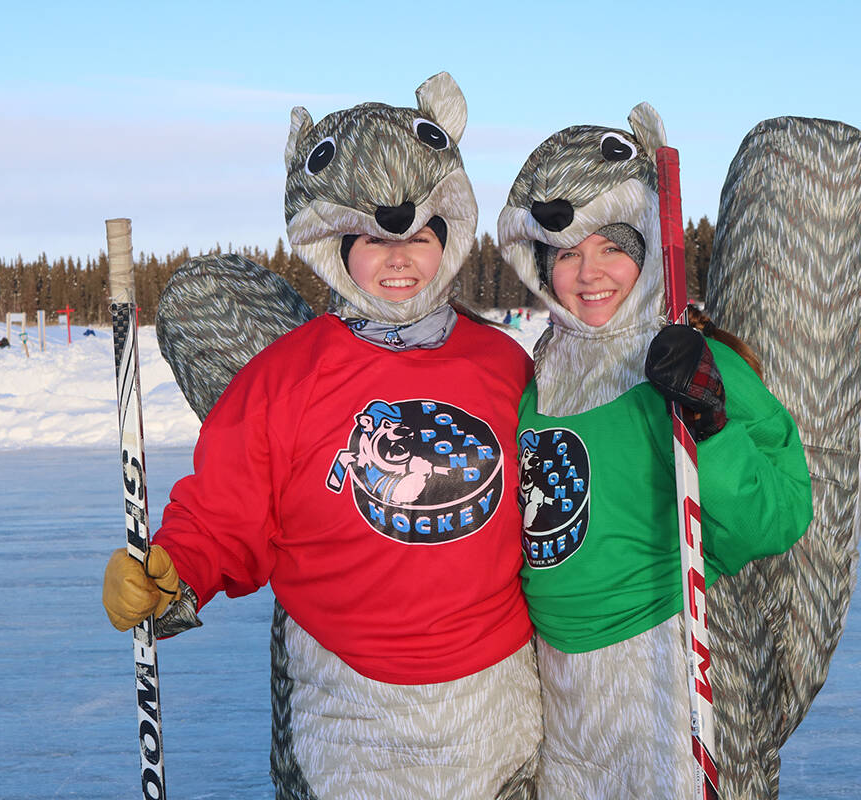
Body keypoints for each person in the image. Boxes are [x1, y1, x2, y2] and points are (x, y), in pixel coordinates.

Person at [102, 73, 540, 800]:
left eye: (418, 237)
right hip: (345, 706)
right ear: (335, 245)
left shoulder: (503, 365)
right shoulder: (283, 377)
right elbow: (226, 510)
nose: (398, 258)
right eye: (371, 238)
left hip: (493, 699)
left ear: (449, 236)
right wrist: (173, 569)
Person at [497, 105, 813, 798]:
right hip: (555, 677)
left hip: (654, 661)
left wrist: (709, 421)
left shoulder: (686, 361)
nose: (590, 272)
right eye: (568, 253)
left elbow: (780, 514)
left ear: (645, 246)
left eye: (611, 246)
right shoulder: (540, 375)